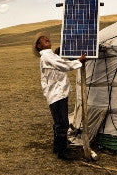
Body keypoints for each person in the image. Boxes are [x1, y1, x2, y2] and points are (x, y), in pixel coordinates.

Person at [33, 32, 86, 160]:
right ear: (39, 46)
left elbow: (61, 60)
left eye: (47, 37)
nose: (46, 38)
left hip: (59, 92)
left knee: (59, 121)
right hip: (56, 93)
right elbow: (62, 65)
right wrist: (79, 61)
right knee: (62, 122)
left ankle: (57, 146)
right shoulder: (46, 56)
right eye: (42, 39)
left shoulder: (51, 55)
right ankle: (62, 152)